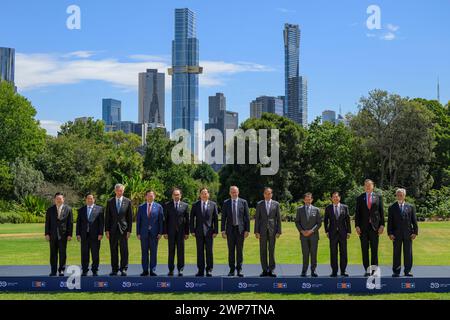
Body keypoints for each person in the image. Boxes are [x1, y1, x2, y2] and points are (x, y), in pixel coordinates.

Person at [355, 179, 385, 276]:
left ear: (373, 186)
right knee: (364, 249)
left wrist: (382, 225)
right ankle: (367, 270)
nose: (368, 187)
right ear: (364, 186)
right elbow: (357, 213)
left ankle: (374, 270)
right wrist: (357, 226)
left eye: (369, 185)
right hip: (363, 228)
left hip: (375, 227)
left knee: (374, 249)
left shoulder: (378, 197)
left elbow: (381, 212)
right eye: (366, 185)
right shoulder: (360, 198)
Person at [387, 188, 418, 277]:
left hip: (408, 234)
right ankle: (396, 271)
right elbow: (390, 222)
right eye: (398, 195)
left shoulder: (411, 207)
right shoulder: (392, 207)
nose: (400, 196)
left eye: (401, 195)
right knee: (396, 253)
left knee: (408, 253)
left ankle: (407, 271)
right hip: (396, 235)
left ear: (404, 196)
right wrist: (390, 233)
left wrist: (415, 232)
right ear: (396, 196)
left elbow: (414, 221)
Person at [221, 186, 250, 277]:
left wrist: (247, 230)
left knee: (239, 251)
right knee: (231, 250)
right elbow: (223, 218)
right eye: (232, 192)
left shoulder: (243, 202)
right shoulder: (226, 203)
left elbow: (247, 217)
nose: (234, 194)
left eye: (235, 192)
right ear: (230, 193)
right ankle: (232, 270)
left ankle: (239, 270)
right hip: (230, 230)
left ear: (238, 192)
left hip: (240, 230)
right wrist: (222, 230)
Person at [105, 184, 133, 276]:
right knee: (113, 250)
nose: (119, 192)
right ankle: (114, 269)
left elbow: (130, 217)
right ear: (115, 191)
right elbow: (107, 217)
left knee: (124, 250)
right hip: (112, 230)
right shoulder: (110, 202)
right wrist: (107, 230)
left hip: (124, 230)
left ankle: (124, 269)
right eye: (118, 190)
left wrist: (129, 231)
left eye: (121, 190)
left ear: (123, 191)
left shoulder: (128, 201)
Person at [190, 187, 219, 277]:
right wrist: (192, 230)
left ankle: (209, 269)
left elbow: (215, 219)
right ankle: (200, 270)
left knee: (209, 251)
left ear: (208, 194)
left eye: (206, 193)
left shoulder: (213, 205)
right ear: (200, 195)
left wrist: (216, 231)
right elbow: (192, 219)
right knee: (200, 252)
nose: (204, 195)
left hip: (210, 232)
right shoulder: (195, 205)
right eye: (202, 193)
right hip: (198, 232)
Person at [254, 187, 282, 277]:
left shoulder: (276, 204)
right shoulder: (259, 204)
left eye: (269, 193)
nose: (267, 195)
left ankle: (271, 270)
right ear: (264, 194)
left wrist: (279, 231)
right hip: (262, 231)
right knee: (262, 250)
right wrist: (256, 231)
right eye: (266, 193)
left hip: (273, 230)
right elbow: (257, 219)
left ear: (272, 194)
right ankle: (264, 270)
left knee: (271, 250)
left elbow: (278, 218)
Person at [45, 192, 73, 277]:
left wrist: (70, 234)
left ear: (63, 199)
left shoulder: (68, 209)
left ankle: (61, 270)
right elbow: (47, 223)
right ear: (54, 200)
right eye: (57, 199)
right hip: (52, 235)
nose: (59, 200)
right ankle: (53, 271)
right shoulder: (50, 209)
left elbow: (70, 223)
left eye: (60, 199)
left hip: (63, 235)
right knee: (53, 254)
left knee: (62, 253)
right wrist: (46, 233)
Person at [163, 188, 190, 277]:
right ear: (172, 196)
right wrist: (165, 232)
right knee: (171, 251)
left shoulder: (185, 206)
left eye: (178, 195)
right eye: (175, 195)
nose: (176, 196)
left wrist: (187, 233)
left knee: (181, 251)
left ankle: (180, 269)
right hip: (170, 233)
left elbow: (187, 220)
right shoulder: (167, 205)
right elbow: (165, 220)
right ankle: (171, 270)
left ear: (180, 196)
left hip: (181, 233)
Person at [76, 193, 104, 276]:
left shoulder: (99, 209)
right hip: (84, 236)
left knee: (95, 253)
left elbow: (101, 223)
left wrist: (100, 233)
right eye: (88, 198)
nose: (90, 200)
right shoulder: (81, 210)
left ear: (94, 199)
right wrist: (78, 234)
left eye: (91, 198)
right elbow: (78, 223)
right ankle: (84, 270)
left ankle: (95, 270)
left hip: (95, 236)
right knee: (84, 253)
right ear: (85, 200)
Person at [137, 190, 164, 276]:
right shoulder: (141, 207)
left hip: (155, 234)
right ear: (146, 197)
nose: (150, 197)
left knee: (153, 252)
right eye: (148, 195)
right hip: (143, 233)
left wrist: (160, 232)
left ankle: (153, 270)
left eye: (151, 196)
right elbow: (138, 221)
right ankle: (145, 270)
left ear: (154, 197)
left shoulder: (159, 207)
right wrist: (138, 233)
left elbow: (161, 221)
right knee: (144, 252)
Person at [324, 192, 351, 277]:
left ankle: (343, 271)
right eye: (333, 197)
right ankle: (334, 271)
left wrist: (349, 231)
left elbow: (347, 220)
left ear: (339, 198)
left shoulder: (345, 207)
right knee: (333, 252)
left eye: (337, 197)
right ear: (331, 198)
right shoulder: (328, 208)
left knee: (343, 252)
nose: (335, 198)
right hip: (332, 234)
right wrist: (327, 231)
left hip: (343, 233)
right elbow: (325, 220)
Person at [296, 193, 322, 277]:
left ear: (312, 200)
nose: (308, 200)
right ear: (304, 200)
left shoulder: (316, 209)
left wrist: (312, 231)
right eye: (306, 199)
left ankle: (313, 271)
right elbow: (297, 222)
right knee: (305, 254)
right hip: (303, 236)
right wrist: (302, 231)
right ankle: (304, 271)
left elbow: (319, 223)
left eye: (309, 199)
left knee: (314, 254)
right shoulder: (299, 210)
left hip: (314, 235)